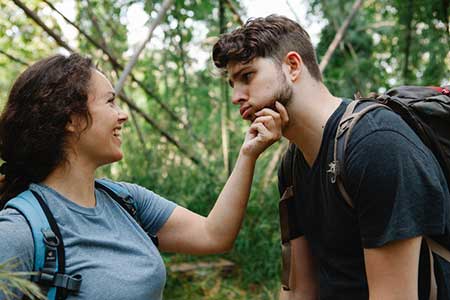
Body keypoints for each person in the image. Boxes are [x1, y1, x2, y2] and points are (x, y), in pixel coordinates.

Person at [0, 53, 288, 299]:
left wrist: (248, 154)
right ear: (72, 120)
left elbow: (213, 235)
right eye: (110, 102)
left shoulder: (126, 201)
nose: (122, 115)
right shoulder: (19, 231)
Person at [212, 14, 450, 300]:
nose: (236, 96)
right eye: (232, 84)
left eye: (247, 76)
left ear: (292, 65)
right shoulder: (292, 164)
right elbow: (300, 289)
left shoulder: (376, 145)